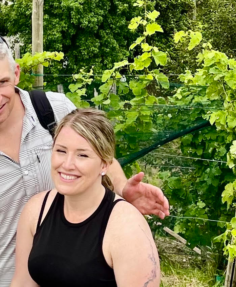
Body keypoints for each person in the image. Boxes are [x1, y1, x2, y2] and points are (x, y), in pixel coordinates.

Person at [0, 33, 169, 287]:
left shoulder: (55, 111)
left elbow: (95, 152)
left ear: (16, 74)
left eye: (2, 82)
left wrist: (121, 188)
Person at [12, 109, 160, 287]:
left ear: (104, 164)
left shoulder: (127, 226)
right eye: (61, 151)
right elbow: (22, 282)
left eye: (82, 155)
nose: (67, 164)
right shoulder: (36, 210)